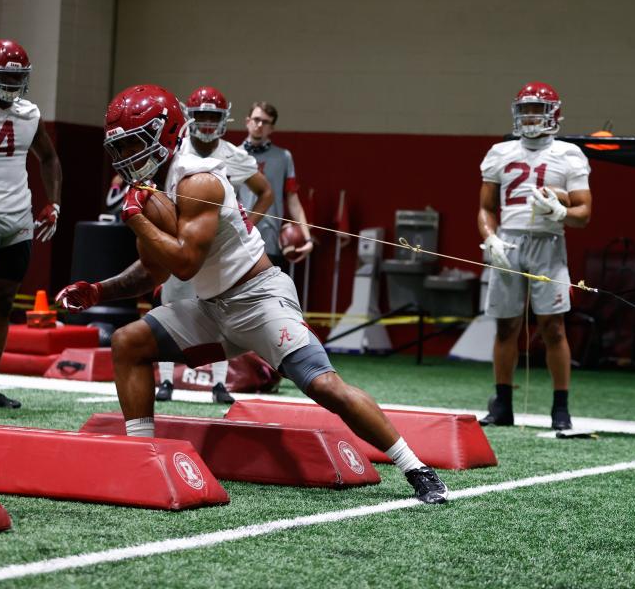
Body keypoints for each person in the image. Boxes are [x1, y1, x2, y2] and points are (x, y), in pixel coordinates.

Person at [56, 85, 448, 504]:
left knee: (324, 386)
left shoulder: (199, 179)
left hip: (259, 299)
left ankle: (416, 468)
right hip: (213, 309)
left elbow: (186, 263)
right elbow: (153, 270)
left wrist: (134, 218)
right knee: (128, 342)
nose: (126, 154)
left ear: (165, 133)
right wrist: (99, 289)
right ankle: (143, 456)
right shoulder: (155, 188)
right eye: (120, 145)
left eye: (134, 141)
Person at [477, 82, 591, 431]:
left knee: (553, 327)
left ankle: (560, 408)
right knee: (506, 325)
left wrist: (559, 212)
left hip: (548, 244)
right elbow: (485, 207)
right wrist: (489, 237)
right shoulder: (500, 151)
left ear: (552, 113)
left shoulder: (569, 154)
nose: (529, 117)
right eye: (525, 109)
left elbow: (584, 213)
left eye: (537, 110)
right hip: (508, 243)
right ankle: (503, 405)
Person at [152, 86, 276, 404]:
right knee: (169, 311)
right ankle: (165, 381)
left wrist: (249, 224)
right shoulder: (173, 151)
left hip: (216, 251)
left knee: (220, 314)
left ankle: (218, 384)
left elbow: (266, 192)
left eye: (214, 116)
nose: (207, 122)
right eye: (202, 116)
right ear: (189, 118)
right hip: (179, 244)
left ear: (224, 119)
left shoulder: (233, 155)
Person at [0, 39, 62, 408]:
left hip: (18, 219)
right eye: (3, 76)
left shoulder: (29, 114)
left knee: (2, 302)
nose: (10, 84)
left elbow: (48, 158)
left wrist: (54, 203)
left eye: (16, 77)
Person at [240, 102, 312, 267]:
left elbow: (293, 200)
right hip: (239, 242)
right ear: (247, 121)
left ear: (272, 128)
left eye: (265, 122)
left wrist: (307, 238)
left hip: (271, 243)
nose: (259, 125)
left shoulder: (283, 157)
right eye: (256, 119)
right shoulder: (233, 155)